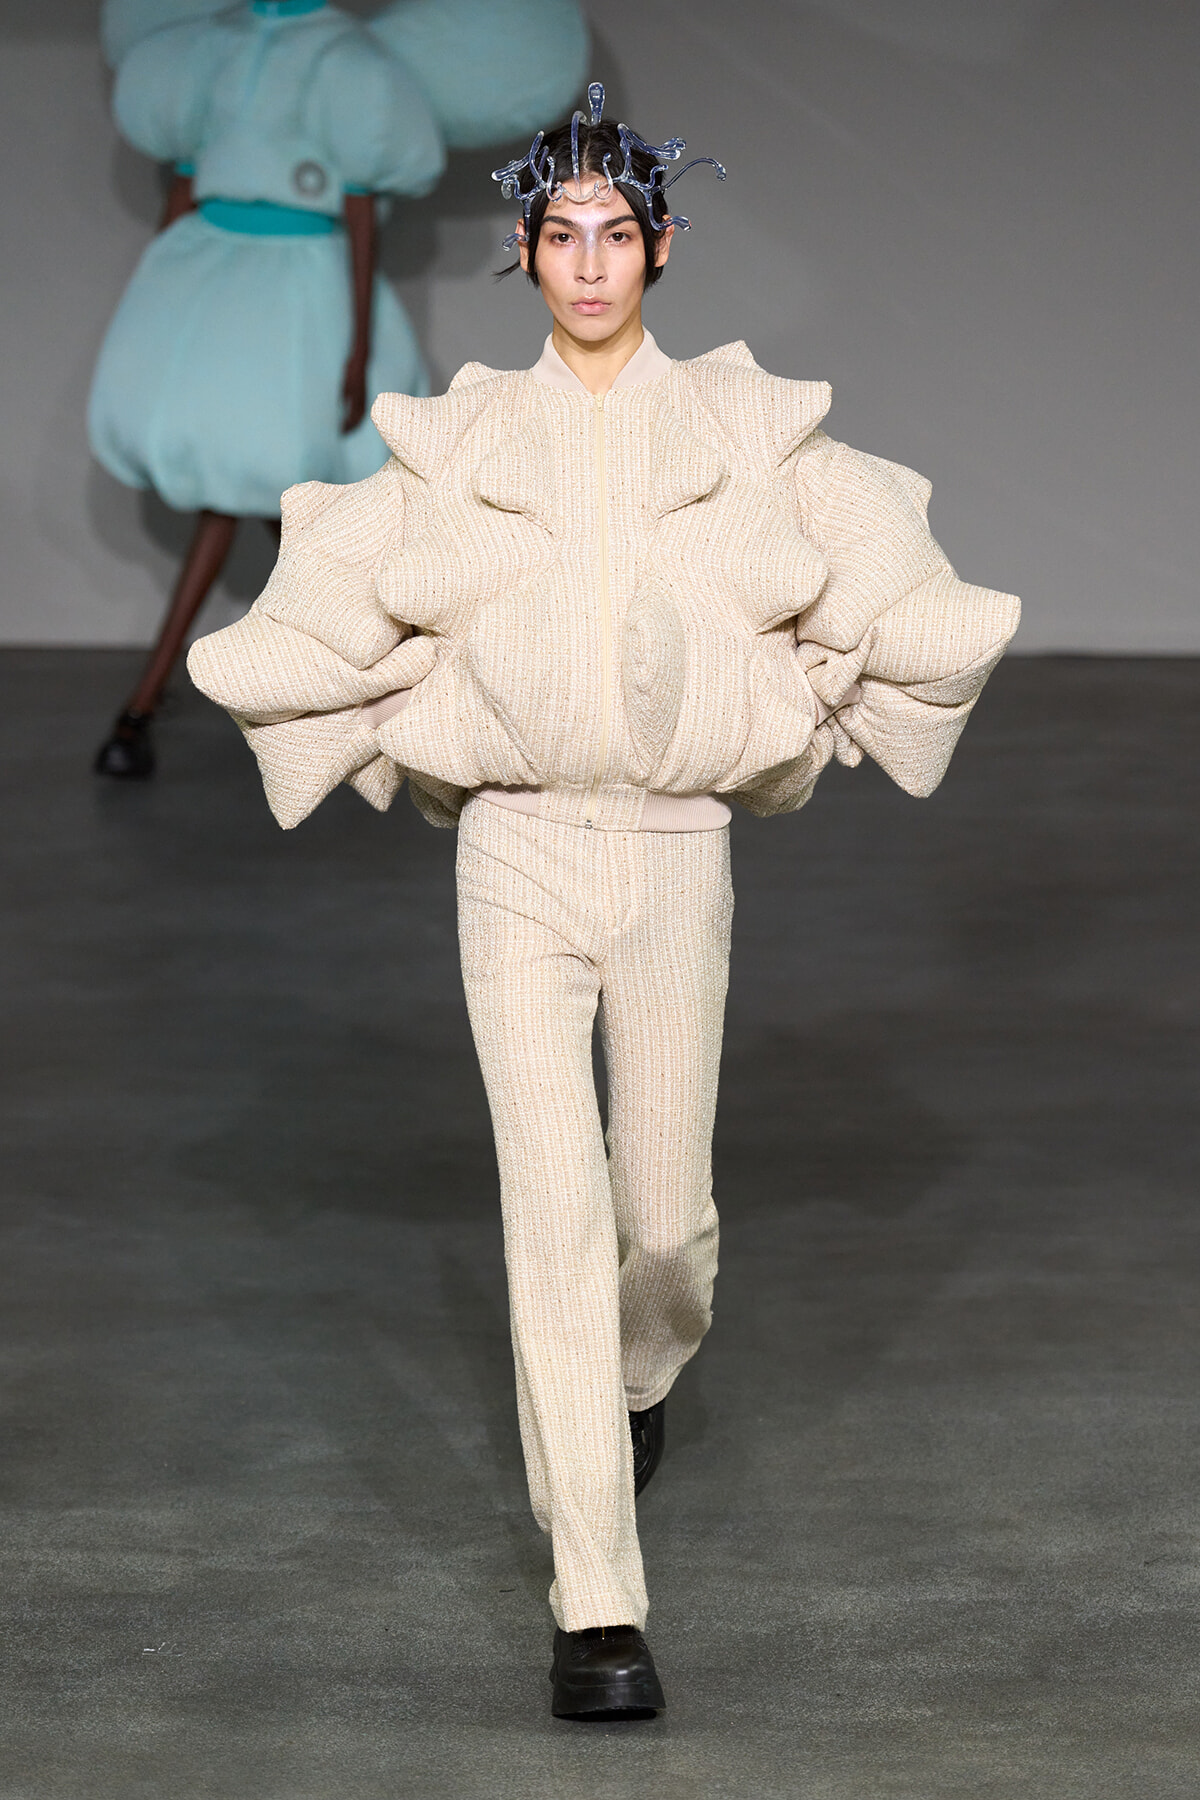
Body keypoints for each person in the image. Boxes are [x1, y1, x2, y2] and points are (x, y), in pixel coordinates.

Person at [188, 84, 1020, 1721]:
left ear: (656, 249)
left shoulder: (739, 425)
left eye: (615, 234)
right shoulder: (465, 433)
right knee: (552, 1213)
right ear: (524, 252)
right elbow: (340, 589)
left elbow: (893, 576)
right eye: (559, 235)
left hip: (673, 850)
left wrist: (861, 671)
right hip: (510, 848)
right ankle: (596, 1605)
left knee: (663, 1219)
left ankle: (643, 1373)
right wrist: (328, 691)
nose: (587, 262)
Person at [89, 0, 585, 778]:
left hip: (296, 303)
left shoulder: (344, 68)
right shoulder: (214, 56)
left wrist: (355, 351)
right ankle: (404, 693)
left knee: (264, 511)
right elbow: (183, 193)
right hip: (221, 292)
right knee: (275, 516)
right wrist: (154, 311)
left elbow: (360, 217)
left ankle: (147, 704)